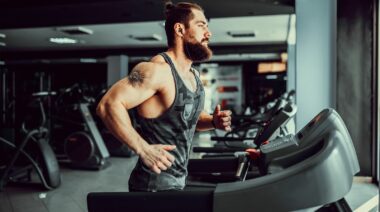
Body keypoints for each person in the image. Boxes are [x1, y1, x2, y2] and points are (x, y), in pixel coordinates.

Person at [96, 1, 232, 192]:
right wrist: (143, 149)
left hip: (178, 180)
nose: (208, 33)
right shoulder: (155, 71)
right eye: (201, 25)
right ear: (180, 29)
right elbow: (108, 105)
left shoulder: (194, 75)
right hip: (153, 185)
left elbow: (189, 119)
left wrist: (213, 122)